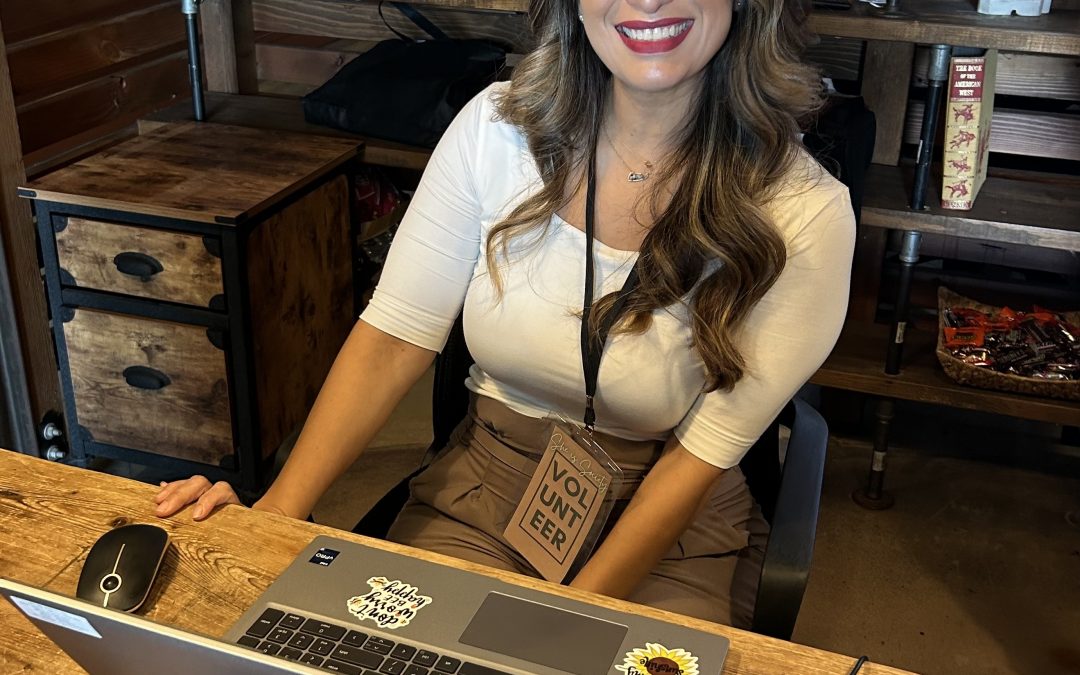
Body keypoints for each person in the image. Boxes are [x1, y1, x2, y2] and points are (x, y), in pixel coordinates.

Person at [154, 0, 855, 628]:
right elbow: (393, 338)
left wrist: (558, 626)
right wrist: (273, 519)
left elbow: (696, 462)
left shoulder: (804, 213)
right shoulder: (496, 127)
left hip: (671, 528)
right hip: (483, 490)